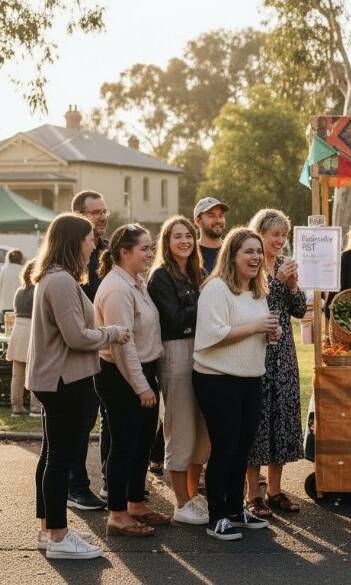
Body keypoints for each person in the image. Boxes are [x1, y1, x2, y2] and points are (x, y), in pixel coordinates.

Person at [27, 213, 129, 559]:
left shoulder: (56, 279)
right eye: (88, 239)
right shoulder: (60, 282)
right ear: (74, 241)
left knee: (52, 456)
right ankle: (58, 536)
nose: (93, 244)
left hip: (58, 378)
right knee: (61, 458)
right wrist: (112, 333)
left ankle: (49, 531)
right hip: (64, 380)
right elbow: (75, 336)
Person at [193, 227, 280, 541]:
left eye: (258, 252)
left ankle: (234, 509)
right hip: (217, 380)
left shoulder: (257, 292)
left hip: (250, 379)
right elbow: (211, 336)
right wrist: (256, 325)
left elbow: (250, 332)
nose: (256, 257)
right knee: (225, 447)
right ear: (232, 254)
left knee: (243, 448)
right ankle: (217, 516)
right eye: (249, 251)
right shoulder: (216, 288)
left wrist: (269, 334)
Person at [94, 224, 168, 536]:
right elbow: (122, 345)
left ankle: (136, 504)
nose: (151, 253)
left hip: (143, 371)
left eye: (152, 247)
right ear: (124, 252)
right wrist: (141, 387)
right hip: (121, 376)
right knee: (123, 445)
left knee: (142, 443)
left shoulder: (136, 282)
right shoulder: (116, 288)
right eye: (145, 248)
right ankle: (117, 514)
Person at [147, 216, 210, 525]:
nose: (184, 241)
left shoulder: (199, 273)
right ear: (167, 242)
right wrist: (205, 297)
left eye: (188, 235)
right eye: (177, 236)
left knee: (202, 430)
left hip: (204, 353)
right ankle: (181, 502)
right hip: (176, 353)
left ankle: (193, 492)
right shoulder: (160, 277)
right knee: (181, 426)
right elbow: (173, 320)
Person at [244, 209, 307, 517]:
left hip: (284, 353)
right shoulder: (251, 267)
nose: (281, 240)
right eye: (275, 234)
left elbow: (298, 310)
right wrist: (280, 282)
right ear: (260, 234)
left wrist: (293, 286)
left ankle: (275, 490)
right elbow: (256, 305)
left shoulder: (284, 266)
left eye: (284, 234)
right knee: (257, 420)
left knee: (281, 416)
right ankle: (252, 494)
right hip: (256, 349)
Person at [68, 190, 111, 511]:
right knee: (80, 420)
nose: (102, 216)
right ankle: (76, 485)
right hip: (81, 347)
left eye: (104, 211)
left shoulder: (109, 251)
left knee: (108, 418)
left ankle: (113, 481)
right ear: (80, 215)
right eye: (95, 212)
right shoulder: (71, 258)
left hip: (110, 346)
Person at [8, 260, 41, 416]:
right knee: (35, 372)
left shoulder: (19, 291)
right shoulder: (37, 291)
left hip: (17, 332)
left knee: (17, 374)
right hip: (31, 331)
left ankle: (16, 407)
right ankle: (35, 406)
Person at [194, 196, 229, 273]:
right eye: (211, 216)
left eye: (221, 215)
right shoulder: (191, 252)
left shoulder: (232, 249)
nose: (218, 220)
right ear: (198, 221)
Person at [0, 249, 25, 313]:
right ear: (21, 259)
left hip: (4, 306)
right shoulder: (23, 270)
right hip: (19, 307)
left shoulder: (3, 270)